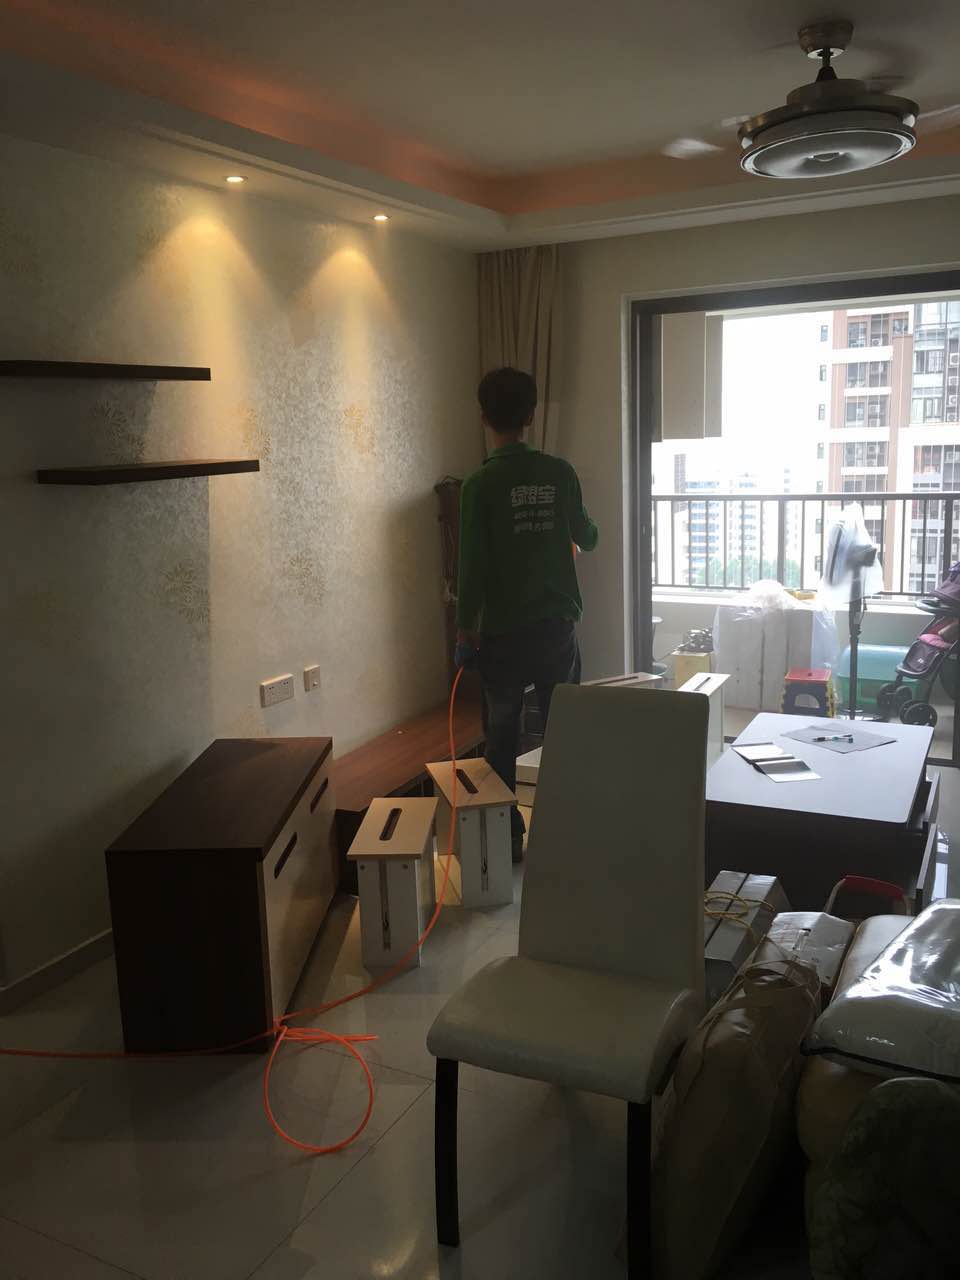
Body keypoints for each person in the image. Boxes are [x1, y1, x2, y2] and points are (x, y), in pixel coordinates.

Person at [455, 367, 599, 860]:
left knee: (501, 733)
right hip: (556, 629)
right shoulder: (560, 473)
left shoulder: (479, 484)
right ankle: (564, 830)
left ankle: (507, 837)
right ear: (531, 415)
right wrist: (581, 528)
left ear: (484, 417)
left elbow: (471, 566)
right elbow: (587, 536)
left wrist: (466, 631)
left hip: (502, 635)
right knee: (564, 728)